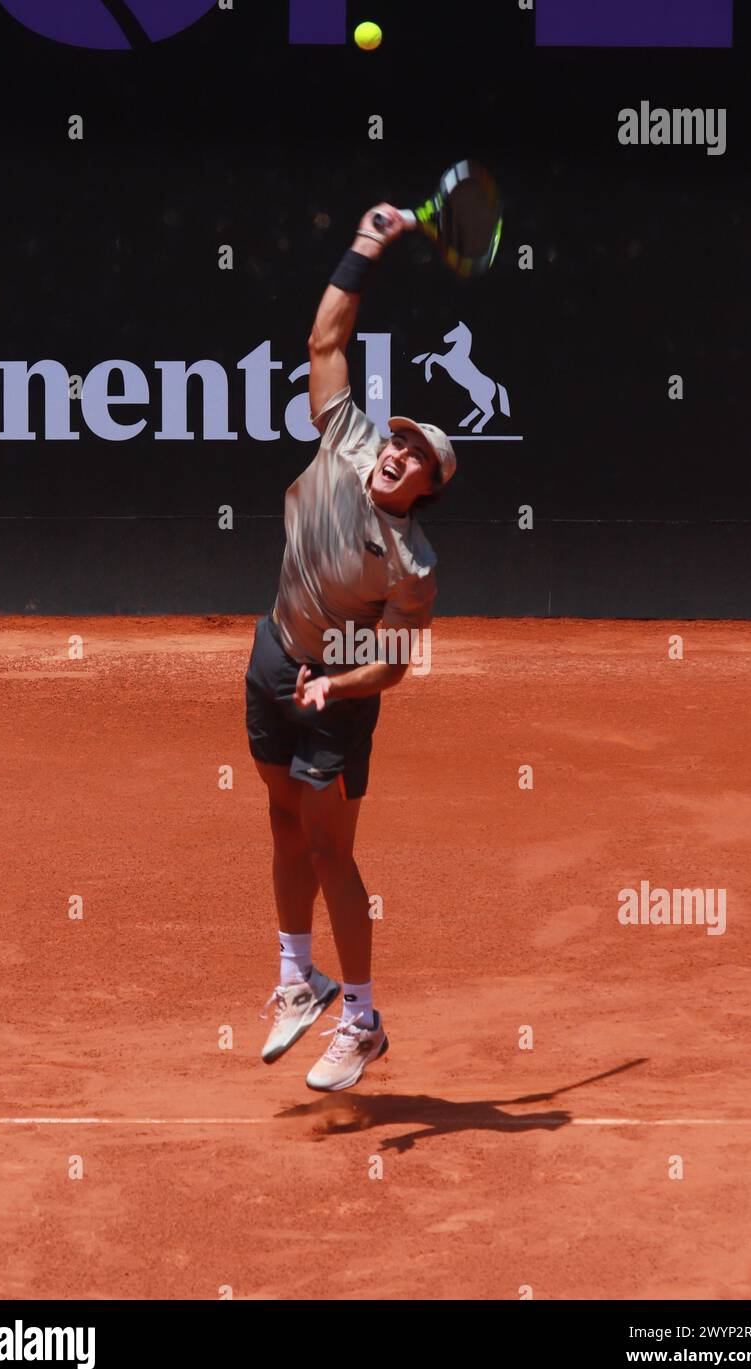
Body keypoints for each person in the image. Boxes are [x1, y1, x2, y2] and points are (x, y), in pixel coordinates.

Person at [246, 202, 457, 1091]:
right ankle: (300, 980)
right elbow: (324, 343)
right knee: (281, 819)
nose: (397, 449)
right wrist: (367, 244)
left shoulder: (411, 562)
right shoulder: (346, 438)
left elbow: (405, 663)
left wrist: (341, 687)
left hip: (336, 686)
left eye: (414, 456)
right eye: (399, 437)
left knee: (331, 849)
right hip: (271, 649)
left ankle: (363, 1019)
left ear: (426, 488)